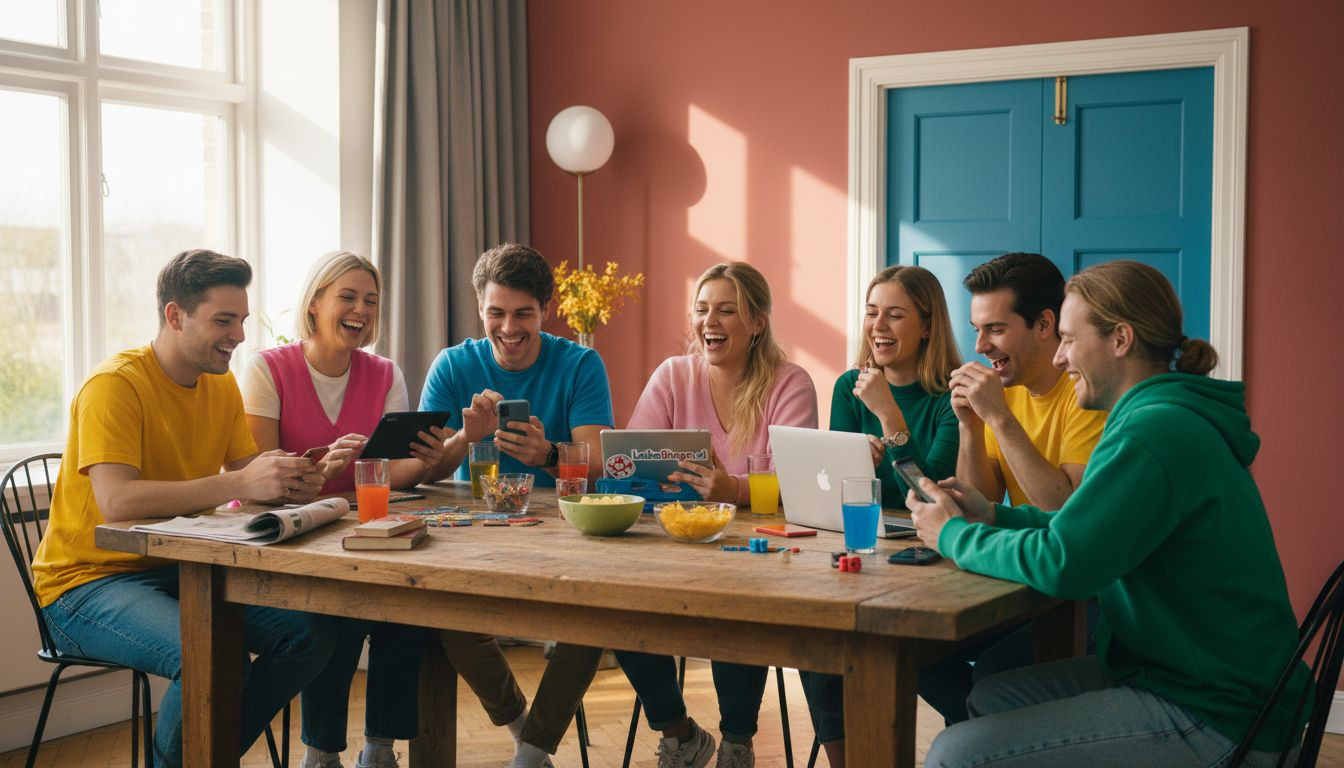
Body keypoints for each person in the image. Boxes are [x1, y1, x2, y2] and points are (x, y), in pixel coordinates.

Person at [913, 261, 1310, 767]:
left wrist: (952, 535)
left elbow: (1067, 564)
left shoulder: (1156, 432)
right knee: (991, 697)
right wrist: (992, 517)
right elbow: (1082, 526)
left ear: (1121, 339)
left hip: (1222, 711)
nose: (1058, 358)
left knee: (956, 752)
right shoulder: (1150, 418)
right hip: (1182, 675)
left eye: (1070, 340)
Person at [33, 249, 336, 768]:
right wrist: (239, 482)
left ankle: (197, 757)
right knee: (213, 655)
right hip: (84, 584)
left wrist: (296, 478)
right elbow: (117, 502)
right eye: (224, 320)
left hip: (180, 567)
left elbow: (251, 477)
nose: (239, 335)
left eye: (240, 320)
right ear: (175, 316)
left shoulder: (219, 385)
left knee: (310, 634)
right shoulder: (116, 386)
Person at [241, 251, 450, 768]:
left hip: (357, 528)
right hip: (287, 536)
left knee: (408, 604)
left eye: (371, 301)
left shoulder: (383, 373)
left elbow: (393, 470)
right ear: (314, 304)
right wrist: (310, 467)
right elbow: (253, 479)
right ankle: (321, 753)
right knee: (340, 608)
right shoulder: (267, 369)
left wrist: (424, 462)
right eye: (348, 297)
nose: (361, 310)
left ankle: (380, 749)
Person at [614, 262, 818, 768]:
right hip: (673, 541)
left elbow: (798, 480)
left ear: (758, 322)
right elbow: (635, 460)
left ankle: (737, 744)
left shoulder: (790, 382)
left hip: (757, 550)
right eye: (703, 309)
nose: (711, 321)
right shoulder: (672, 375)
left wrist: (734, 490)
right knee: (614, 603)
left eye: (728, 310)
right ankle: (678, 731)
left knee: (737, 602)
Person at [419, 243, 613, 768]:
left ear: (544, 310)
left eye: (523, 313)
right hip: (475, 531)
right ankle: (520, 726)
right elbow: (422, 471)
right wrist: (465, 437)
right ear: (480, 310)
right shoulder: (453, 364)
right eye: (496, 313)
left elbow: (597, 461)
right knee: (440, 606)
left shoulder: (579, 363)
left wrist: (548, 454)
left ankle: (531, 752)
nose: (509, 327)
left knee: (598, 613)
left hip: (564, 532)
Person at [920, 252, 1108, 724]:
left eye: (996, 329)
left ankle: (992, 738)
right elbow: (978, 500)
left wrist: (999, 418)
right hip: (1026, 576)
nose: (980, 345)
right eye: (977, 328)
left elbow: (1068, 510)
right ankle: (984, 737)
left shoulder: (1085, 393)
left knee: (994, 671)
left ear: (1045, 324)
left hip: (1085, 592)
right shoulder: (1004, 386)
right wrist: (968, 424)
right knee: (919, 650)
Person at [800, 264, 962, 766]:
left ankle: (978, 732)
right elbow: (839, 485)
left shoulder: (949, 397)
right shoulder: (852, 384)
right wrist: (858, 462)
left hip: (930, 558)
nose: (879, 327)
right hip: (863, 548)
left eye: (895, 315)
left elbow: (931, 492)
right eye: (872, 313)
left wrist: (890, 419)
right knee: (818, 644)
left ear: (928, 326)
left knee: (906, 653)